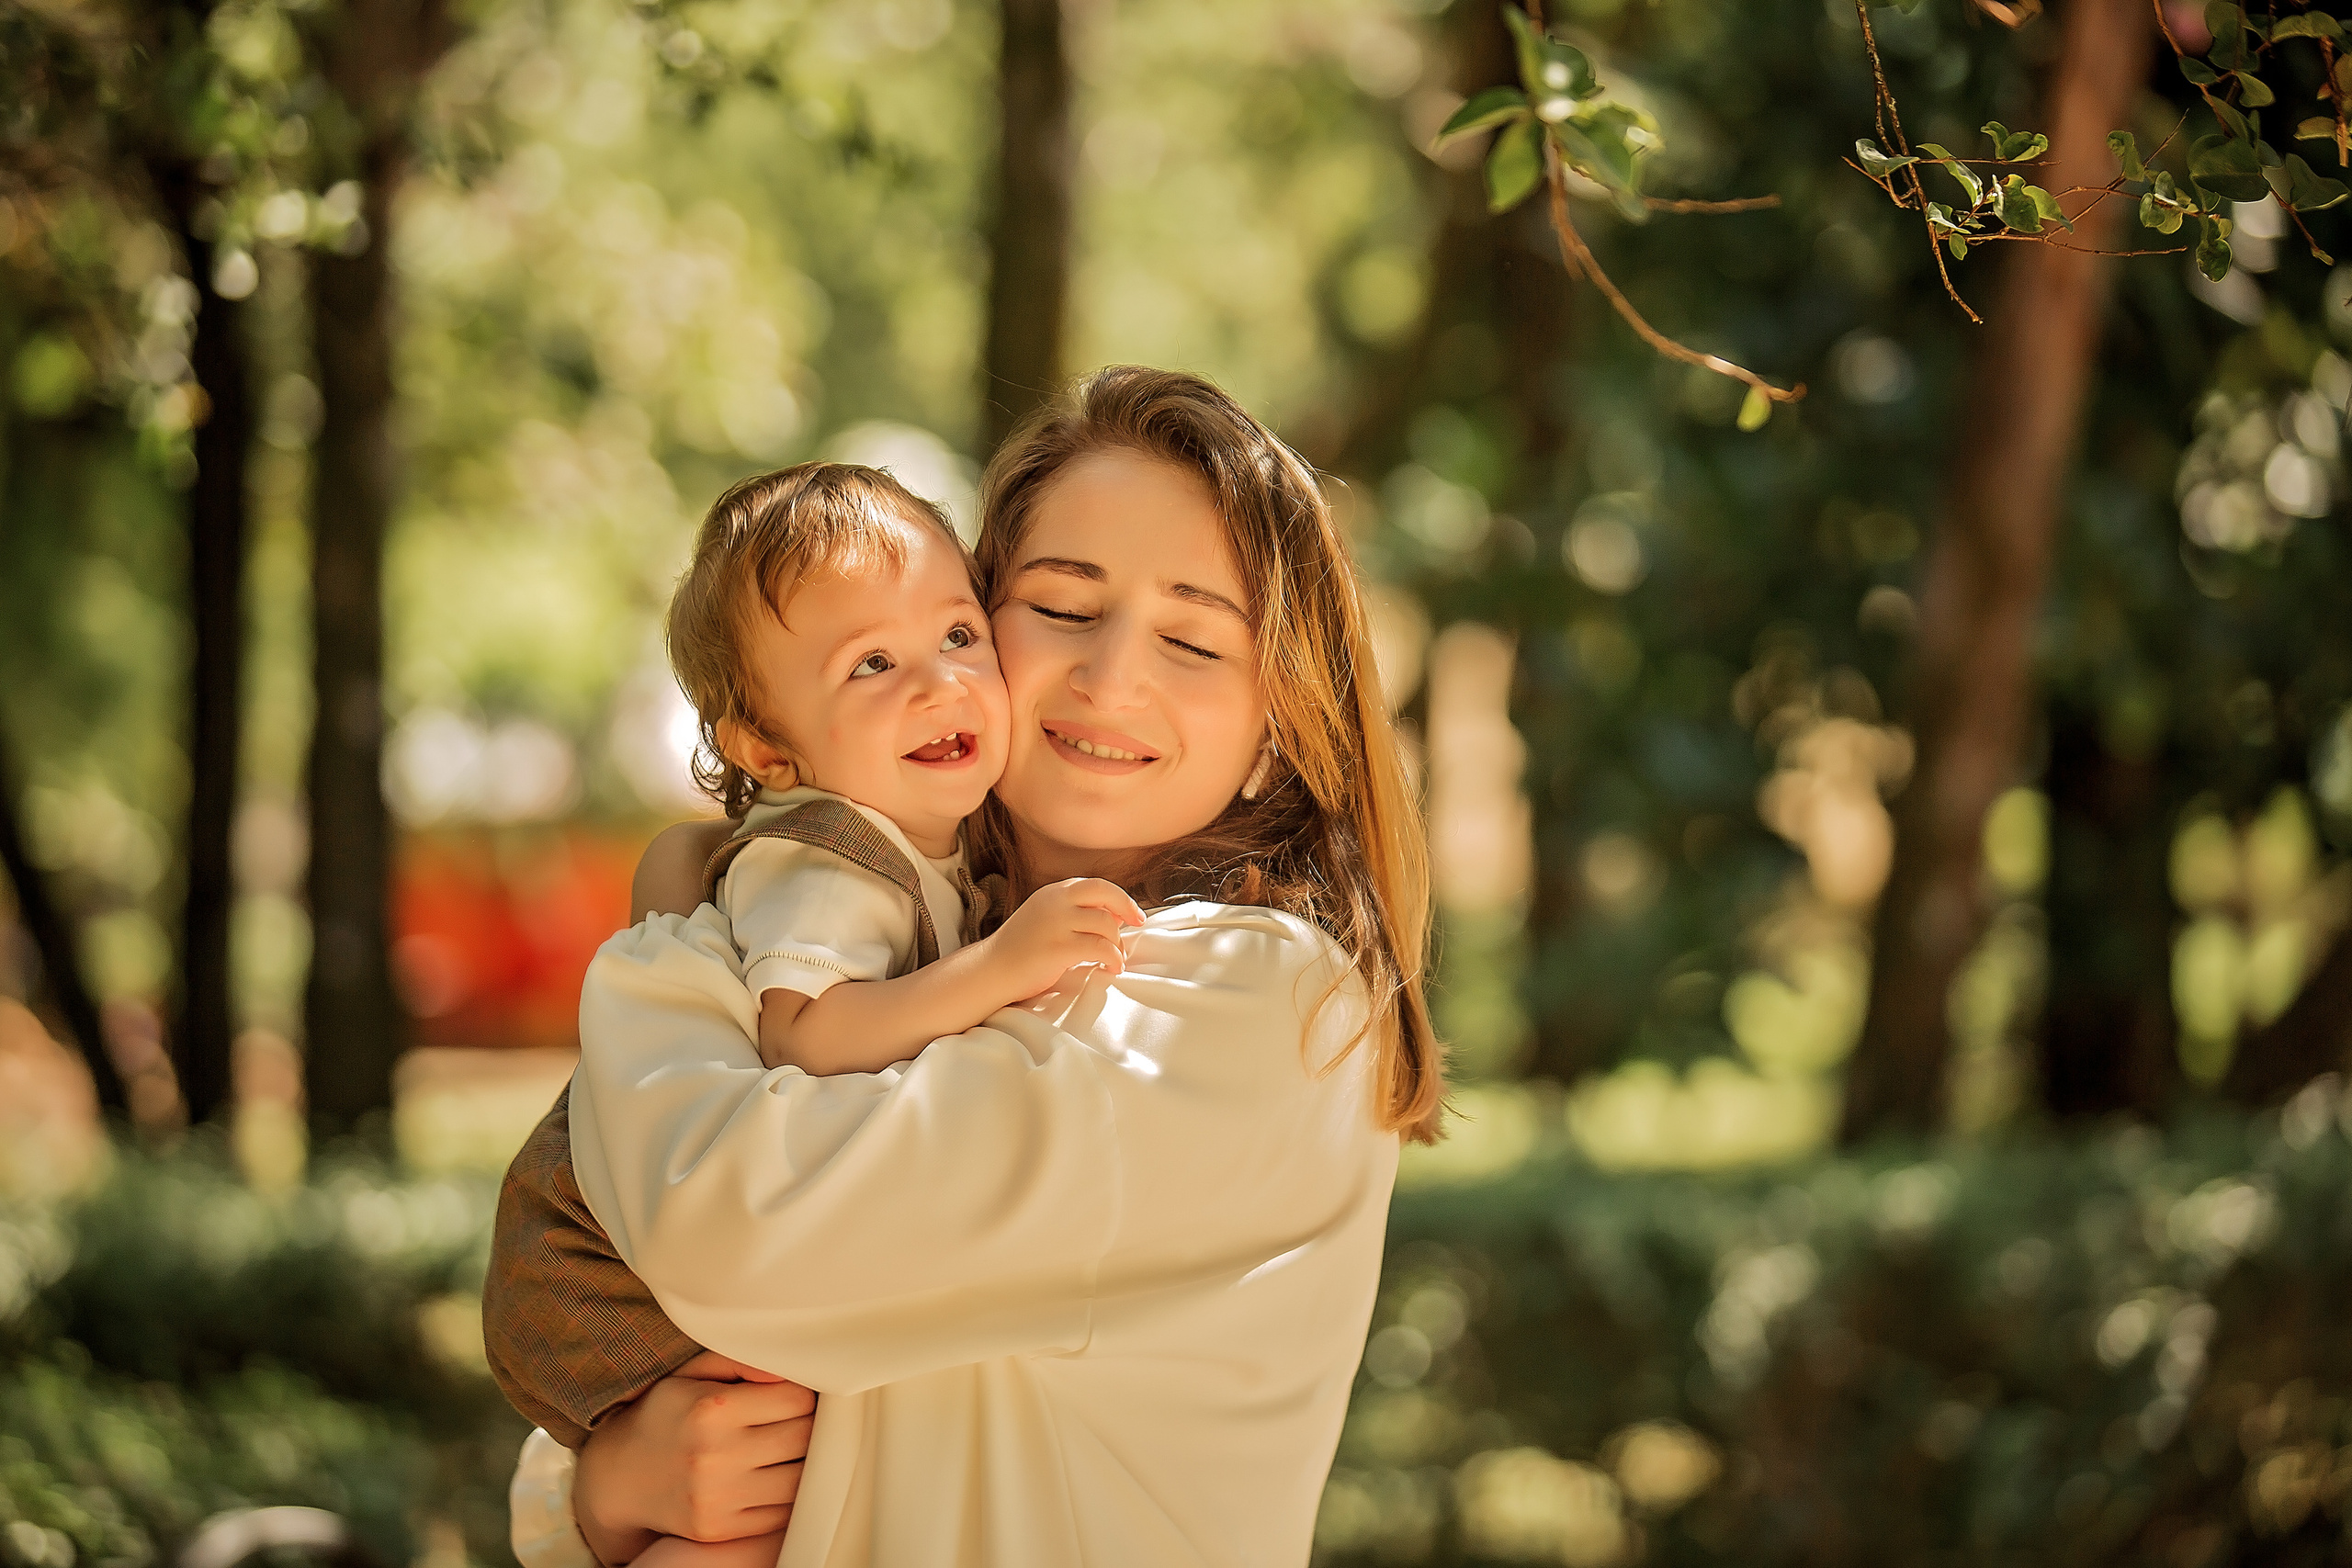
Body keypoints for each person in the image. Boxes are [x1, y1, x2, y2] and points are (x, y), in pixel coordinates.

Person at [489, 366, 1443, 1568]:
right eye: (1059, 606)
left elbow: (727, 1225)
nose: (1110, 677)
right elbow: (697, 1372)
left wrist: (669, 931)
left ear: (1280, 719)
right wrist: (608, 1492)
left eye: (1195, 639)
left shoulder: (1252, 1003)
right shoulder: (927, 930)